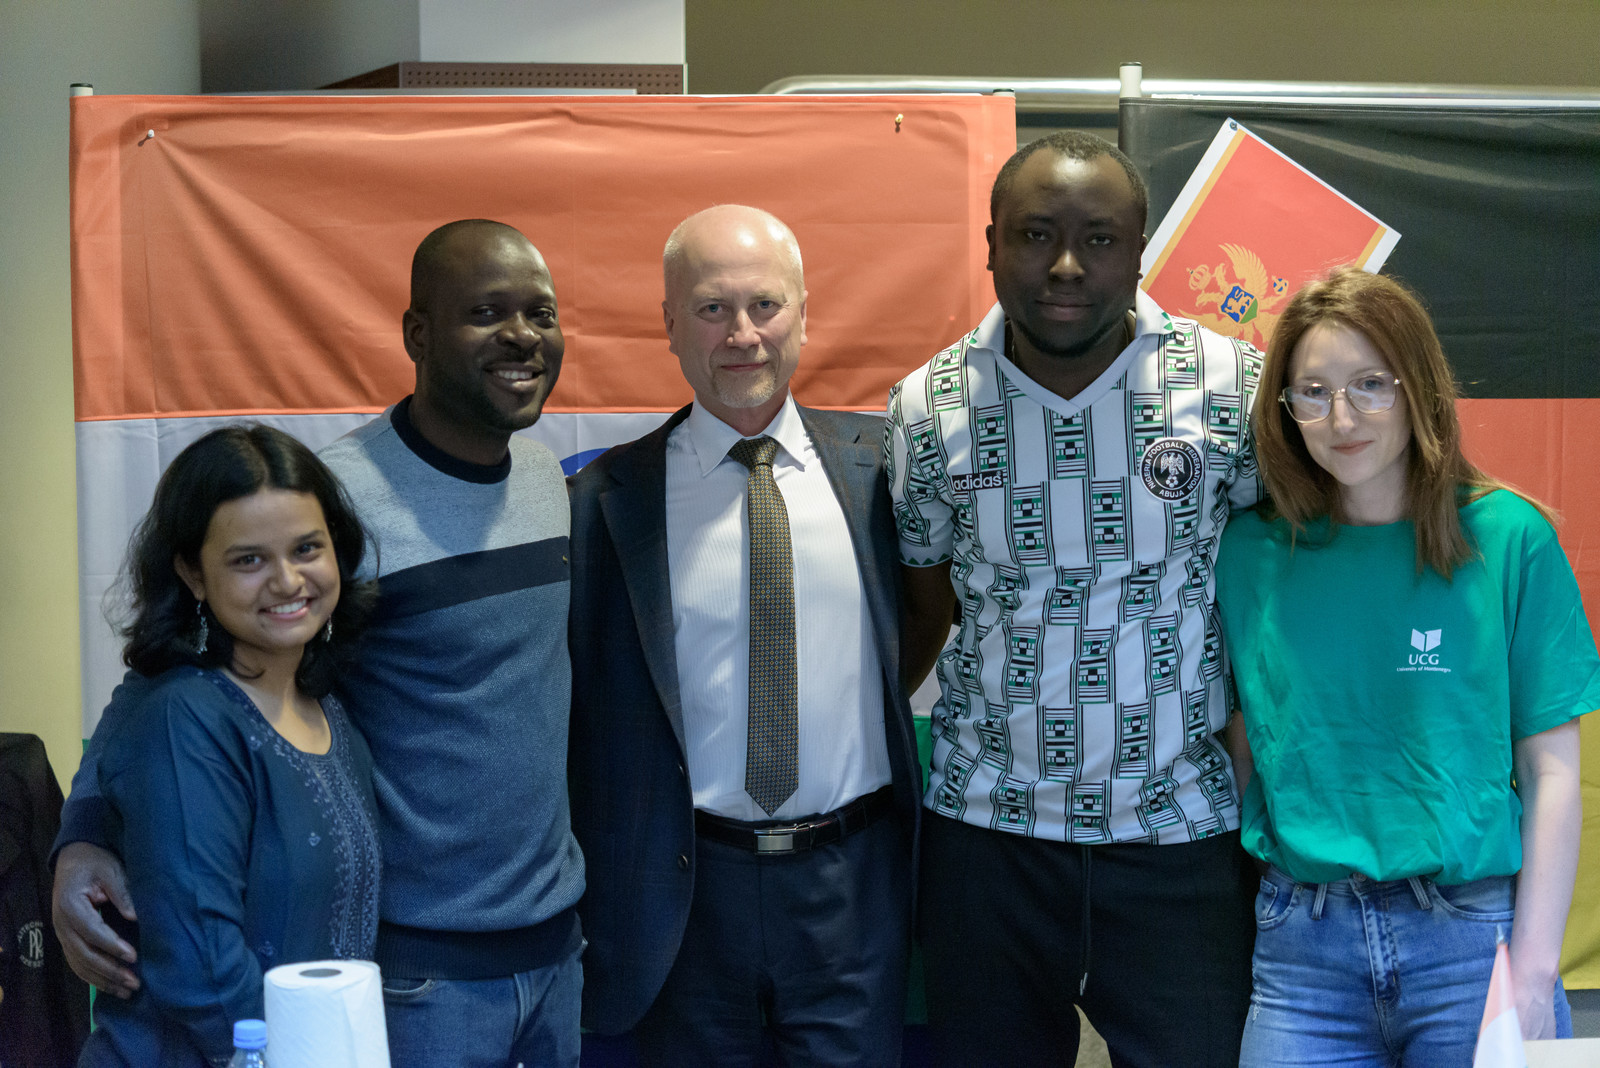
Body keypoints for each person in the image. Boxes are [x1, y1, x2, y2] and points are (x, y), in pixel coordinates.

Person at [55, 219, 586, 1068]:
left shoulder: (546, 483)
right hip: (416, 977)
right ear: (417, 334)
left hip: (556, 954)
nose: (521, 336)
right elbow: (163, 677)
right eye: (487, 313)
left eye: (541, 313)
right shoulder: (334, 499)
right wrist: (82, 829)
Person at [886, 132, 1260, 1066]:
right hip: (987, 838)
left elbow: (1276, 592)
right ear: (991, 245)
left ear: (1139, 252)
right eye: (1035, 234)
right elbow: (925, 610)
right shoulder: (928, 407)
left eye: (1099, 239)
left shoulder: (1231, 387)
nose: (1065, 266)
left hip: (1180, 833)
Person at [568, 204, 922, 1066]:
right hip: (685, 897)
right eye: (711, 308)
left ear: (804, 314)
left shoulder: (889, 471)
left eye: (765, 305)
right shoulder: (604, 502)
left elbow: (926, 624)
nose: (742, 334)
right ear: (669, 323)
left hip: (852, 890)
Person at [1215, 266, 1596, 1065]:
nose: (1341, 417)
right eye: (1312, 392)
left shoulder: (1509, 539)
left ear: (1417, 387)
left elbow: (1553, 769)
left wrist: (1534, 970)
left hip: (1472, 944)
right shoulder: (1249, 552)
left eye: (1369, 384)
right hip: (1300, 951)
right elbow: (1246, 742)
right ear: (1284, 408)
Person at [77, 425, 380, 1067]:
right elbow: (204, 976)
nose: (287, 581)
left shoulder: (326, 704)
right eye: (249, 561)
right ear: (193, 574)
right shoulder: (184, 719)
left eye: (307, 548)